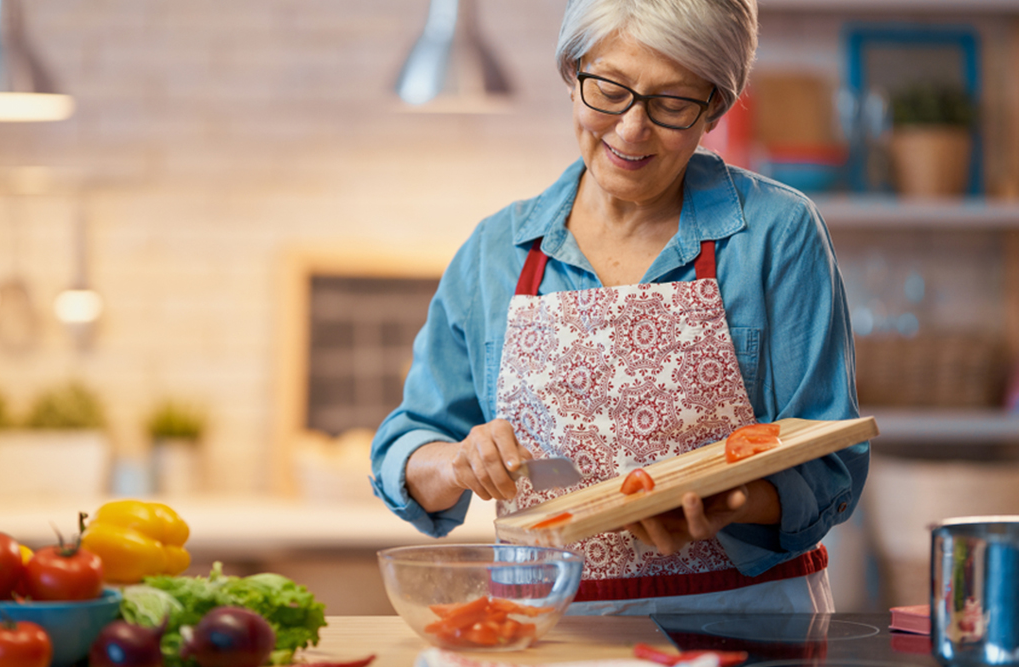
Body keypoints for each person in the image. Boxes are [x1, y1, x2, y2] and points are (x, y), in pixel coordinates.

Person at [370, 0, 869, 615]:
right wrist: (456, 461)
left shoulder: (777, 234)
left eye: (672, 103)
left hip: (746, 622)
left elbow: (831, 461)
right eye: (609, 89)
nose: (632, 129)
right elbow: (406, 447)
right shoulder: (495, 252)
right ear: (572, 72)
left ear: (714, 105)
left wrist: (732, 502)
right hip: (543, 633)